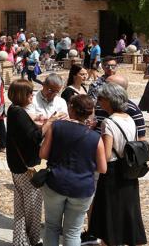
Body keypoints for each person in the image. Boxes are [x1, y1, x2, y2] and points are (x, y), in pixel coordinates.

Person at [39, 94, 107, 246]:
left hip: (55, 182)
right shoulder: (95, 138)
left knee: (51, 227)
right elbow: (102, 168)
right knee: (72, 232)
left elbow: (43, 154)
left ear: (71, 108)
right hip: (82, 187)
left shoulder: (56, 127)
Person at [89, 83, 147, 246]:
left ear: (109, 100)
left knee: (110, 218)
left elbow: (106, 155)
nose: (99, 102)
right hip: (129, 171)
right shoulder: (130, 118)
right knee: (129, 212)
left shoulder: (108, 122)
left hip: (113, 174)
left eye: (101, 99)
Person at [6, 80, 50, 246]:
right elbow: (35, 137)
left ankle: (21, 240)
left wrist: (37, 120)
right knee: (32, 205)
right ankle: (31, 240)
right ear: (21, 95)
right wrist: (50, 123)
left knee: (20, 204)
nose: (32, 96)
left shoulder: (14, 110)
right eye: (29, 93)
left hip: (17, 163)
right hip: (26, 166)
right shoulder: (18, 112)